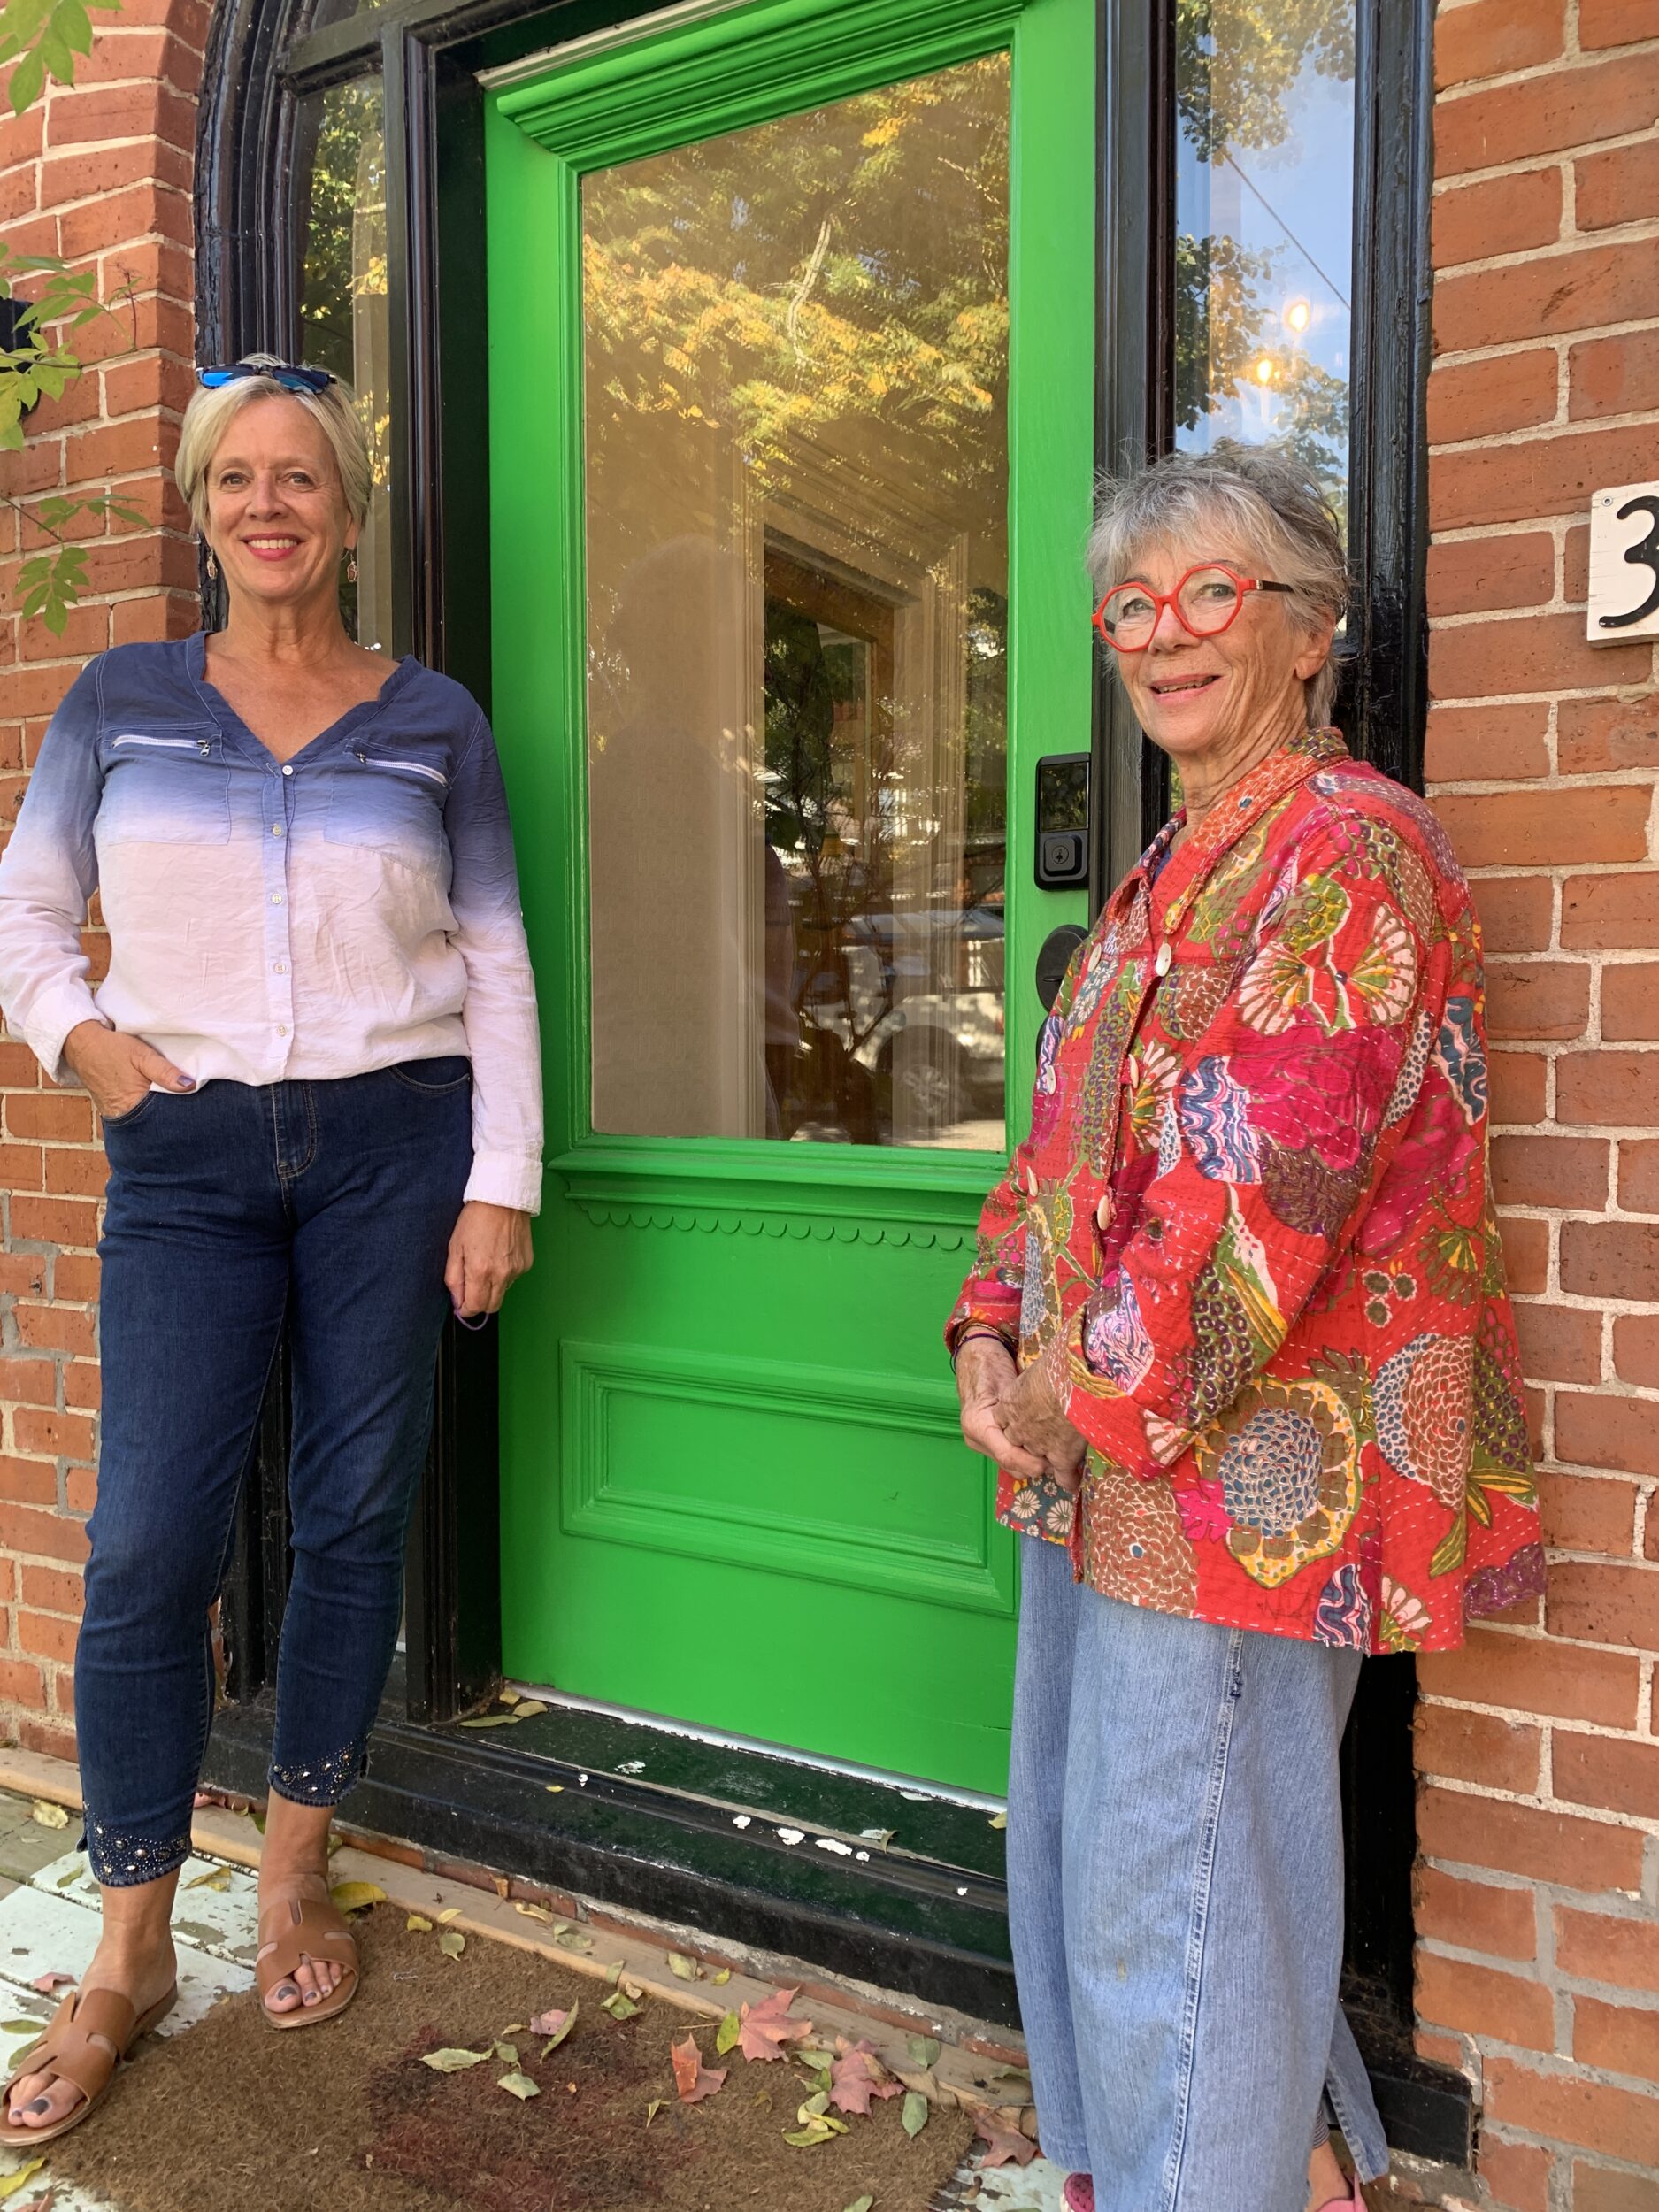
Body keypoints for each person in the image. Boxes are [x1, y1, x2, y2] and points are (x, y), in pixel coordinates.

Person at [949, 445, 1542, 2212]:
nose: (1162, 633)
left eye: (1211, 592)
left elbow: (1253, 1190)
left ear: (1306, 631)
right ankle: (1272, 2170)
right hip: (1106, 1461)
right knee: (1130, 1870)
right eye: (1131, 605)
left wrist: (1064, 1387)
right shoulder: (1172, 862)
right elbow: (1057, 1149)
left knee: (1173, 1895)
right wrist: (985, 1328)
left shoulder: (1347, 846)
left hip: (1237, 1497)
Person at [0, 357, 541, 2139]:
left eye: (300, 474)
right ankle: (131, 1939)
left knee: (348, 1510)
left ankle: (297, 1863)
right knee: (148, 1536)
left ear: (347, 507)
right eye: (236, 474)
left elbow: (496, 956)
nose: (268, 502)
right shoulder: (122, 700)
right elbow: (23, 914)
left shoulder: (431, 719)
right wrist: (86, 1045)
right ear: (200, 501)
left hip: (397, 1145)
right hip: (189, 1150)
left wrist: (501, 1177)